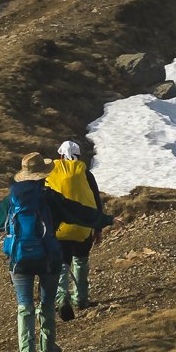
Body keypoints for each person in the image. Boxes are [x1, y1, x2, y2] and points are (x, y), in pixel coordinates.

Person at [0, 151, 111, 352]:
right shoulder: (50, 197)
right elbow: (77, 212)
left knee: (24, 307)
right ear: (44, 175)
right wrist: (106, 219)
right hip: (49, 258)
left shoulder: (13, 198)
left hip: (20, 260)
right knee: (47, 303)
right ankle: (48, 350)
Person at [46, 138, 106, 321]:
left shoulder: (51, 172)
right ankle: (81, 299)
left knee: (62, 265)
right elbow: (96, 202)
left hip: (59, 228)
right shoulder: (86, 174)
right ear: (79, 156)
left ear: (60, 155)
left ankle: (62, 297)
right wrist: (98, 227)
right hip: (83, 227)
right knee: (81, 261)